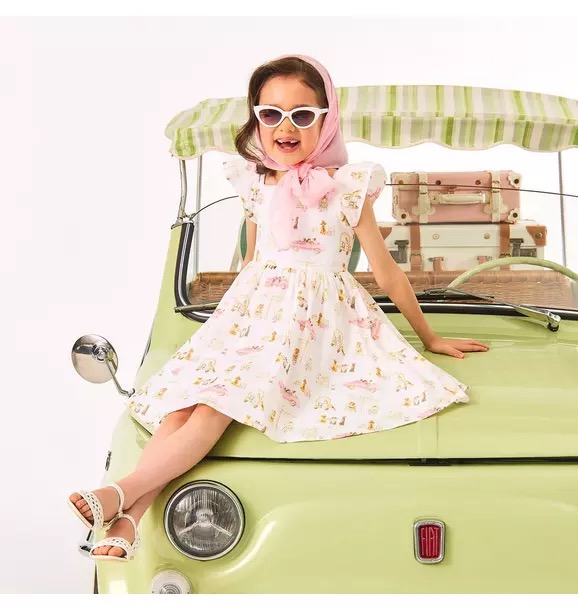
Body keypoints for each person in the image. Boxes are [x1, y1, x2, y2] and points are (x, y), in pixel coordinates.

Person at [67, 54, 489, 562]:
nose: (285, 128)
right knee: (183, 404)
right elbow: (251, 260)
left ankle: (120, 495)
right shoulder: (254, 183)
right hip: (252, 313)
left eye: (302, 115)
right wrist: (227, 330)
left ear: (327, 120)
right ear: (256, 119)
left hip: (312, 322)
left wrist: (429, 337)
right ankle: (128, 520)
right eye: (271, 114)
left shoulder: (348, 187)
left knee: (216, 405)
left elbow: (386, 272)